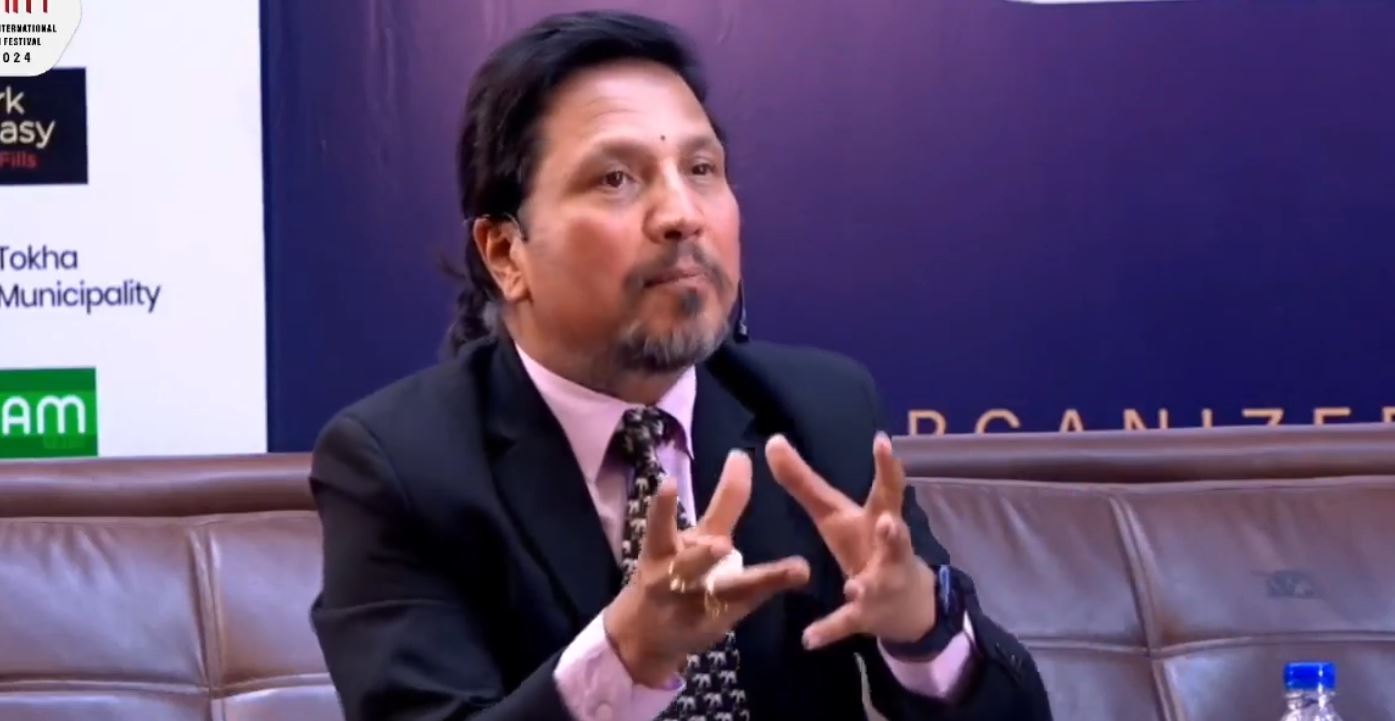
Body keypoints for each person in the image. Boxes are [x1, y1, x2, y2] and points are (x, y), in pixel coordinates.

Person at [308, 10, 1051, 721]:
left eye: (700, 168)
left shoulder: (820, 414)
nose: (681, 214)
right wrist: (626, 656)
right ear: (506, 253)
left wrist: (922, 627)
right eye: (615, 179)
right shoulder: (399, 464)